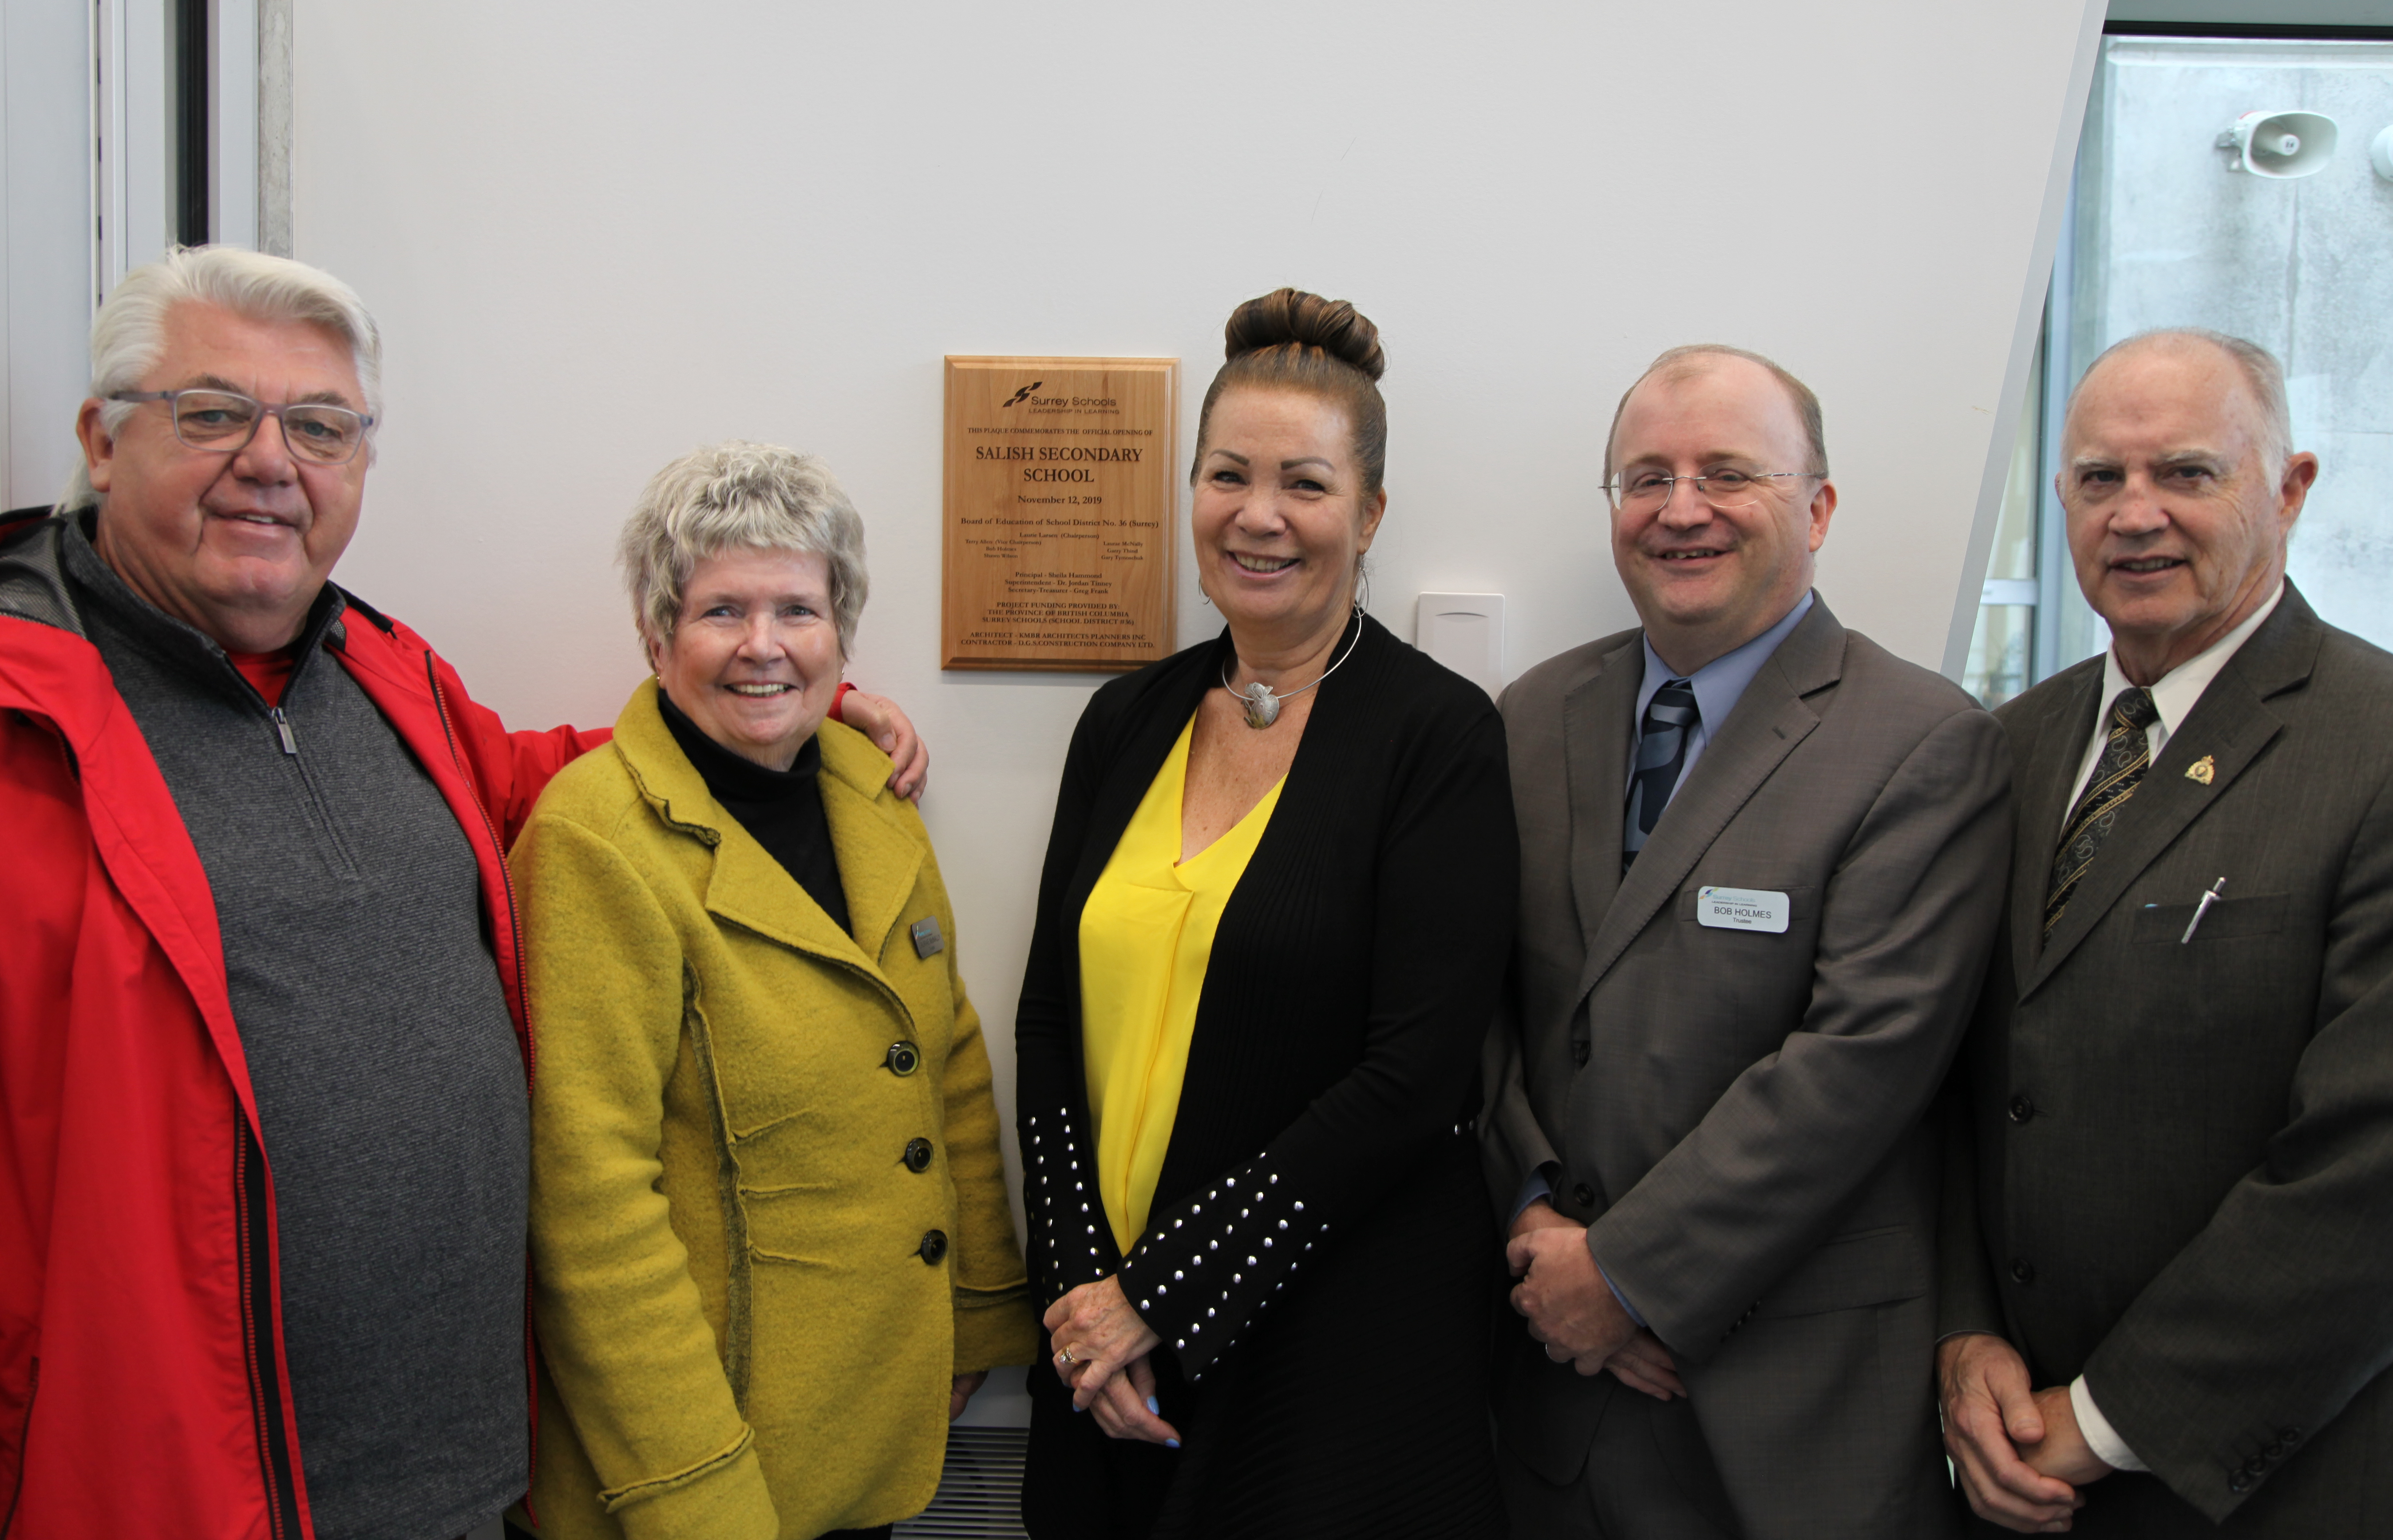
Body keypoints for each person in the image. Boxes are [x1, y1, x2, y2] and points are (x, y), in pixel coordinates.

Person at [0, 246, 924, 1540]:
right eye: (212, 412)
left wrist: (778, 709)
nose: (270, 460)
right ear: (103, 438)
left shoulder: (385, 674)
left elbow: (537, 783)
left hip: (475, 1479)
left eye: (319, 426)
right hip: (158, 1490)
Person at [1482, 344, 2011, 1539]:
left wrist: (1623, 1276)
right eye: (1644, 477)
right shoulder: (1532, 718)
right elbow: (1485, 1006)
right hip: (1551, 1397)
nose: (1680, 510)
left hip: (1784, 1409)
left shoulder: (1924, 742)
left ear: (1818, 507)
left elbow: (1861, 1062)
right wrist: (1537, 1231)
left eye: (1729, 472)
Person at [1013, 289, 1518, 1538]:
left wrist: (1161, 1296)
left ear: (1372, 512)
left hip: (1332, 1354)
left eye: (1305, 482)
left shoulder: (1438, 737)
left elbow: (1417, 1077)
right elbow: (1046, 1031)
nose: (1260, 515)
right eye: (1228, 475)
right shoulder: (1124, 721)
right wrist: (1087, 1300)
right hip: (1111, 1352)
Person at [1936, 330, 2393, 1538]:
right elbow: (1956, 1092)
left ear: (2291, 487)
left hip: (2283, 1474)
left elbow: (2392, 1164)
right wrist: (1964, 1339)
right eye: (2100, 480)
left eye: (2188, 474)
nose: (2136, 514)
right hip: (2010, 1459)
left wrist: (2108, 1420)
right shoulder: (2003, 750)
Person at [513, 443, 1036, 1540]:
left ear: (841, 635)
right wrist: (687, 1483)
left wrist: (980, 1317)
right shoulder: (593, 839)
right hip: (706, 1459)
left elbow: (943, 1066)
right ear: (658, 637)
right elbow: (589, 1202)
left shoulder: (872, 796)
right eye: (721, 612)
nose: (763, 647)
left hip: (879, 1417)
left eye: (798, 609)